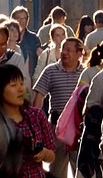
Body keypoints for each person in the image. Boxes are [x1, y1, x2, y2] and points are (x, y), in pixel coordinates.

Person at [0, 64, 56, 177]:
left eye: (22, 84)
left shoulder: (36, 116)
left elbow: (52, 155)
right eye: (13, 85)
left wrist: (44, 154)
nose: (21, 89)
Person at [32, 37, 85, 177]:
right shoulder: (51, 70)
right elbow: (38, 98)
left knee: (80, 170)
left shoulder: (85, 73)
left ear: (79, 53)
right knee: (57, 171)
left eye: (69, 50)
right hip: (57, 129)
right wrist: (38, 125)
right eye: (63, 49)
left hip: (79, 129)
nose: (65, 53)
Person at [0, 22, 31, 88]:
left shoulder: (17, 59)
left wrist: (25, 96)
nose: (0, 48)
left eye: (3, 45)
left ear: (7, 41)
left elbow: (24, 81)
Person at [11, 5, 42, 79]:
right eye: (19, 18)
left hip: (29, 77)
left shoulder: (33, 38)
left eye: (24, 18)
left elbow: (39, 59)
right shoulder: (8, 37)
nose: (21, 21)